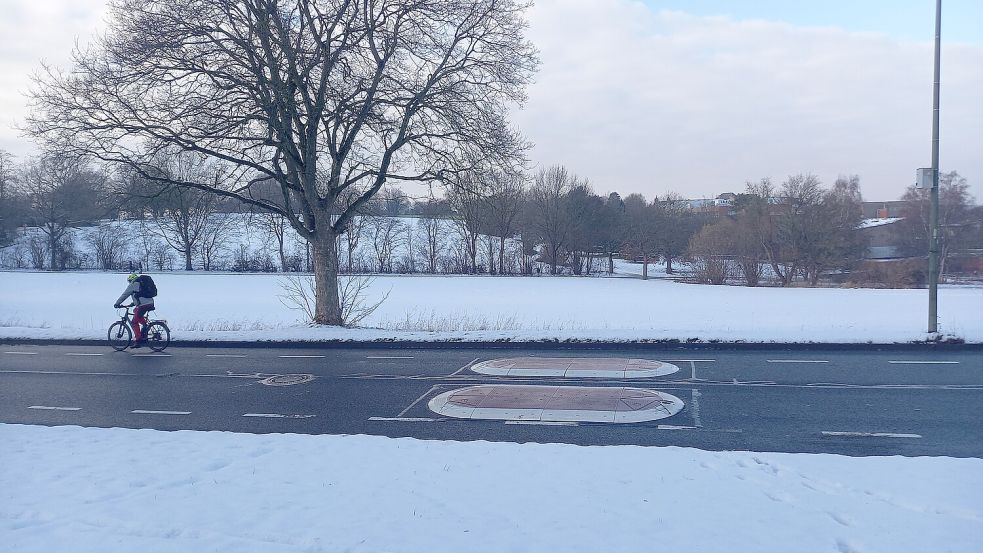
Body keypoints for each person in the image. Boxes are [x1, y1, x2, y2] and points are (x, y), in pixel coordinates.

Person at [114, 273, 156, 348]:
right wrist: (133, 303)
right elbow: (140, 296)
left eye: (129, 281)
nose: (129, 283)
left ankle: (138, 341)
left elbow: (125, 295)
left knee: (134, 322)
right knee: (136, 311)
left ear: (131, 280)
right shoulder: (141, 284)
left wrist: (117, 303)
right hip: (150, 303)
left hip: (143, 305)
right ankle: (145, 326)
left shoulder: (133, 284)